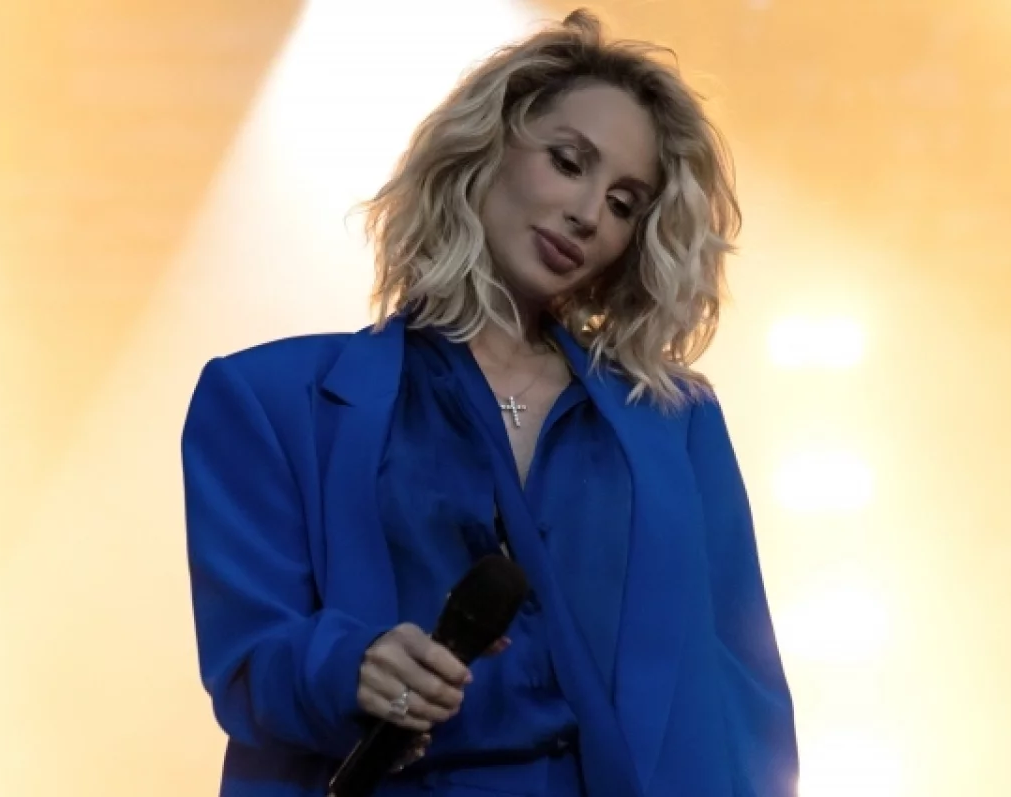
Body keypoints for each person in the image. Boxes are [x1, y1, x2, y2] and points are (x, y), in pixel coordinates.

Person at [181, 9, 798, 797]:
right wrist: (348, 665)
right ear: (488, 146)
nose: (588, 214)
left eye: (624, 203)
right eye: (569, 162)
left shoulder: (674, 424)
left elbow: (743, 696)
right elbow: (249, 662)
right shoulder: (270, 401)